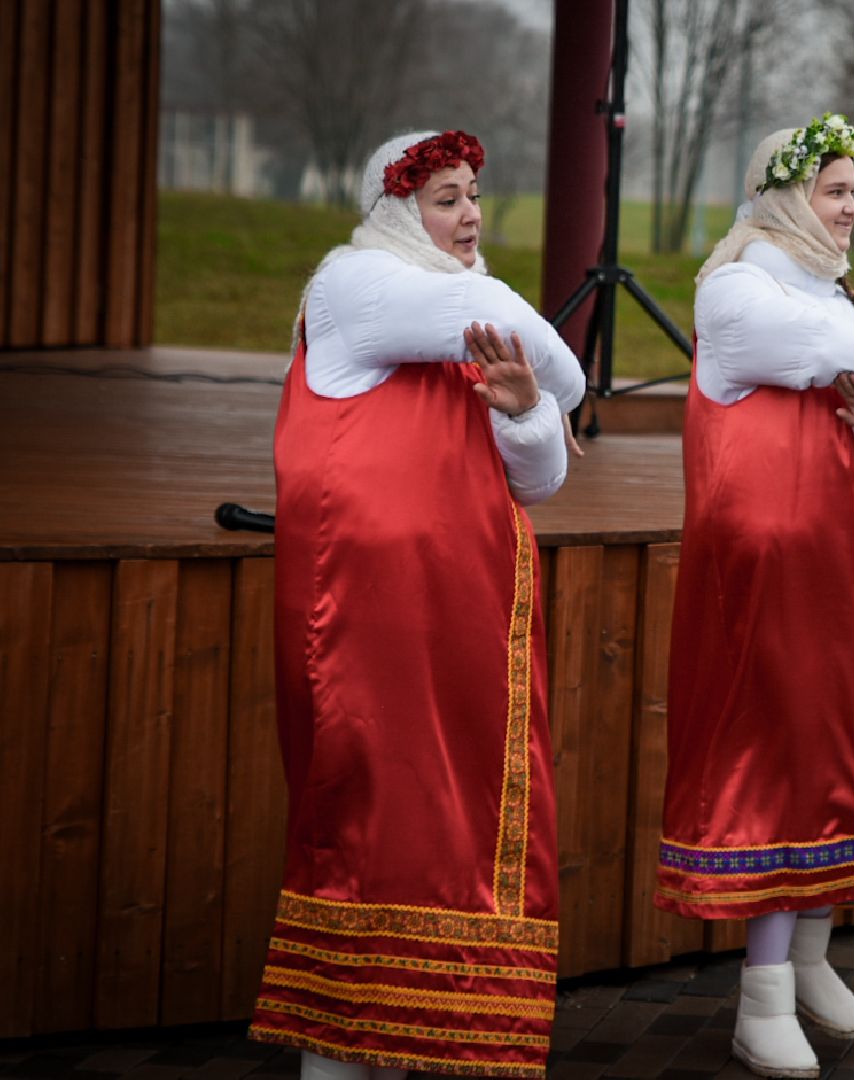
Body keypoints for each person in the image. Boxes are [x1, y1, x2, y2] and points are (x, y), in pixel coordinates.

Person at [248, 130, 586, 1080]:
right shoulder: (357, 287)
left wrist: (524, 407)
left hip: (465, 630)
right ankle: (337, 1058)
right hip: (367, 630)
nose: (471, 214)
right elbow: (502, 317)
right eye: (445, 197)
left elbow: (540, 478)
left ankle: (401, 1047)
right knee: (372, 826)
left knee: (447, 834)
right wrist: (564, 382)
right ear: (396, 211)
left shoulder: (452, 328)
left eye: (474, 194)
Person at [656, 114, 854, 1079]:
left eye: (851, 192)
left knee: (845, 754)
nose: (850, 210)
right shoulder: (738, 290)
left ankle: (806, 956)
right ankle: (759, 990)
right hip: (771, 577)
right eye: (835, 191)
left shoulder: (852, 309)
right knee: (777, 758)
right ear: (788, 196)